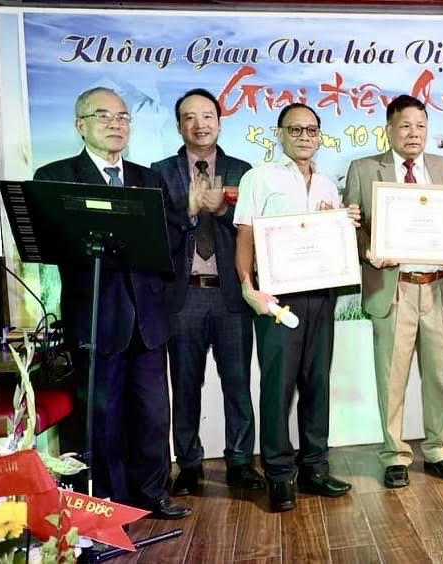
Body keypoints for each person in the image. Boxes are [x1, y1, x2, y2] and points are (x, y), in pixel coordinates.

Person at [34, 87, 190, 519]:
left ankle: (152, 493)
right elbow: (51, 243)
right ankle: (108, 501)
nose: (116, 124)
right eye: (103, 116)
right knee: (101, 417)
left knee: (153, 413)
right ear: (80, 125)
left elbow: (171, 240)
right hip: (96, 318)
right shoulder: (57, 177)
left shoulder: (148, 178)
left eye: (122, 117)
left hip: (148, 319)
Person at [343, 95, 443, 489]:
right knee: (391, 378)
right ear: (389, 130)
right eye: (405, 126)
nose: (413, 133)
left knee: (440, 376)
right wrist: (367, 250)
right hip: (394, 289)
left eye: (420, 126)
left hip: (437, 287)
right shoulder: (364, 169)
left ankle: (439, 450)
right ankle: (395, 455)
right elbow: (351, 226)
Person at [234, 103, 358, 511]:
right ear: (280, 133)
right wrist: (249, 287)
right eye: (295, 129)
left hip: (321, 294)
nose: (304, 137)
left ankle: (315, 468)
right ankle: (279, 475)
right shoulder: (259, 177)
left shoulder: (326, 184)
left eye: (311, 130)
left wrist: (343, 222)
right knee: (278, 387)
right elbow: (245, 237)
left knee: (317, 383)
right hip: (277, 298)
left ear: (319, 136)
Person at [151, 88, 264, 496]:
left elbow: (255, 229)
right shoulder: (159, 172)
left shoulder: (242, 171)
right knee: (184, 385)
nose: (199, 124)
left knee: (238, 384)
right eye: (189, 117)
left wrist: (223, 211)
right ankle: (189, 464)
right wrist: (189, 211)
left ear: (219, 121)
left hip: (231, 294)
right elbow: (156, 233)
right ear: (179, 125)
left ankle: (240, 462)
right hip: (183, 297)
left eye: (207, 116)